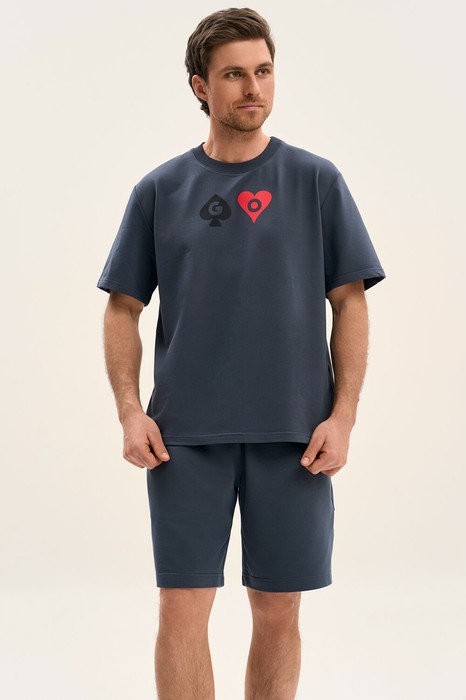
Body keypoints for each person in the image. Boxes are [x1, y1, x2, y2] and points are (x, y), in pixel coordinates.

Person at [96, 7, 386, 699]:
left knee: (279, 611)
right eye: (233, 75)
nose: (253, 88)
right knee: (182, 607)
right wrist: (131, 413)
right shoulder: (160, 190)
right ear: (201, 86)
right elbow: (122, 308)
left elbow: (350, 302)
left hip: (295, 436)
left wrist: (343, 416)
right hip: (184, 438)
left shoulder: (316, 181)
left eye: (263, 71)